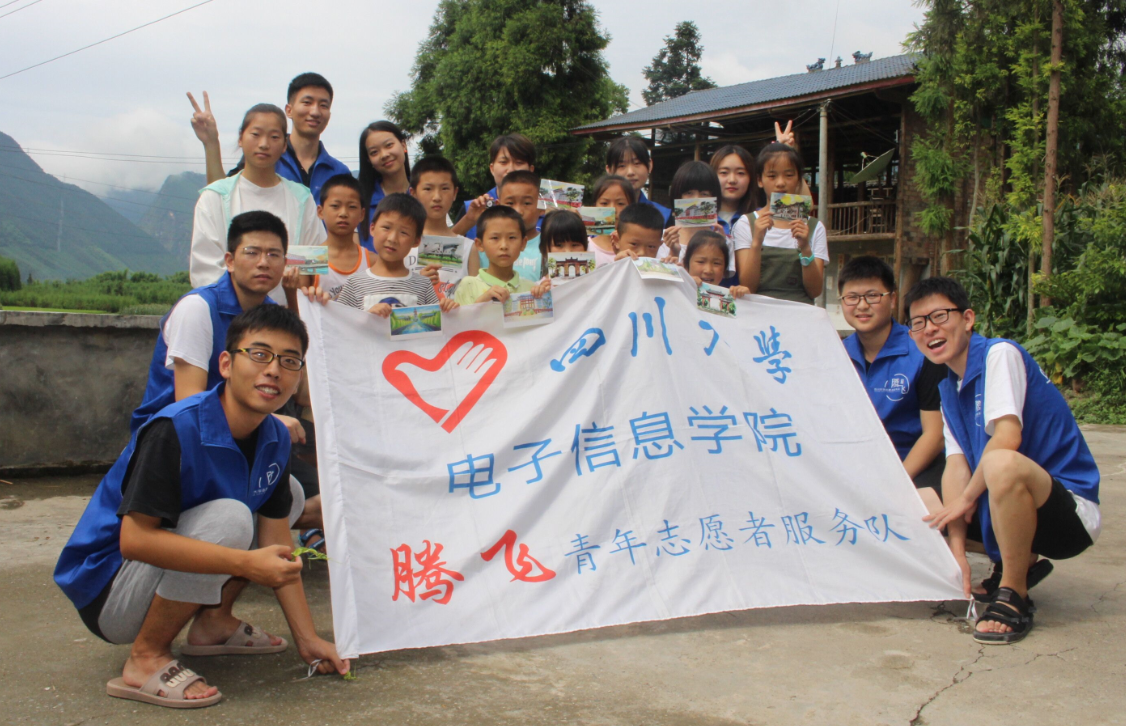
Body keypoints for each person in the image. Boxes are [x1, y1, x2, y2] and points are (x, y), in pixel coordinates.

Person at [54, 305, 349, 709]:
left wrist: (308, 639)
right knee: (231, 518)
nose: (273, 371)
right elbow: (134, 541)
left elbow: (279, 548)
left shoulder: (274, 438)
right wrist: (245, 563)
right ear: (226, 364)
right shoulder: (175, 428)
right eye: (259, 354)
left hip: (155, 574)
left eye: (289, 361)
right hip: (110, 591)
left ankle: (213, 623)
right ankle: (145, 657)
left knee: (289, 495)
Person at [906, 276, 1100, 644]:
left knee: (1000, 463)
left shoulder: (999, 354)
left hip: (1068, 515)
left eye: (939, 316)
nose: (929, 329)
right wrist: (957, 554)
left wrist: (966, 500)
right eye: (918, 323)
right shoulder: (948, 388)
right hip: (1010, 507)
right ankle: (1014, 562)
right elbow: (956, 468)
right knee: (918, 501)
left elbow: (1008, 438)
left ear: (967, 319)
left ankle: (1014, 594)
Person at [838, 256, 947, 512]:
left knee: (921, 508)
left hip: (913, 464)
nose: (862, 305)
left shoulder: (922, 352)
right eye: (852, 297)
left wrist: (896, 483)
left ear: (893, 299)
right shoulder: (836, 355)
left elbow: (934, 435)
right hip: (856, 467)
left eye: (872, 296)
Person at [189, 104, 326, 304]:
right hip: (227, 316)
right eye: (256, 134)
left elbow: (312, 268)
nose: (264, 144)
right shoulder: (215, 197)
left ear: (285, 145)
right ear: (240, 138)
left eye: (274, 137)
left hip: (286, 317)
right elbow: (206, 270)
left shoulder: (302, 199)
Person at [188, 73, 351, 204]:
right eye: (307, 102)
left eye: (323, 105)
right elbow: (223, 196)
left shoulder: (339, 172)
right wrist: (211, 143)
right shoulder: (266, 157)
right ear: (289, 110)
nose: (315, 112)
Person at [732, 143, 827, 304]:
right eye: (772, 176)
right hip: (760, 312)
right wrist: (757, 242)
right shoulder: (746, 223)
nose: (781, 182)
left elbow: (815, 291)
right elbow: (748, 287)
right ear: (760, 180)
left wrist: (805, 247)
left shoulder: (814, 226)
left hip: (800, 313)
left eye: (789, 175)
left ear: (799, 180)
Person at [335, 193, 457, 316]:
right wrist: (368, 317)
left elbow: (434, 322)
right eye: (386, 228)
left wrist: (447, 309)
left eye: (403, 233)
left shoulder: (423, 285)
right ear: (372, 228)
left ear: (416, 241)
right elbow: (340, 322)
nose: (392, 238)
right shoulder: (354, 283)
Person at [410, 155, 479, 298]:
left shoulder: (468, 248)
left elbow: (475, 300)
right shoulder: (403, 243)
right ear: (413, 193)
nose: (437, 197)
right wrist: (418, 285)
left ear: (455, 193)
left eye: (445, 188)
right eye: (428, 188)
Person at [453, 205, 551, 305]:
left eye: (512, 237)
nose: (504, 246)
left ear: (523, 243)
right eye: (495, 238)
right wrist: (482, 303)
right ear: (480, 244)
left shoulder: (531, 288)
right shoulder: (468, 285)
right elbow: (462, 315)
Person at [453, 133, 538, 240]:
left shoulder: (549, 207)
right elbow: (443, 248)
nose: (511, 169)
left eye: (519, 162)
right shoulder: (471, 209)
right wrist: (468, 220)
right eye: (503, 162)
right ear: (492, 169)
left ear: (531, 170)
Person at [658, 161, 730, 284]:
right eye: (689, 193)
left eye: (704, 194)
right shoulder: (662, 238)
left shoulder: (724, 240)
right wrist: (673, 251)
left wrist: (722, 246)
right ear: (677, 196)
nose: (696, 199)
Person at [306, 174, 374, 301]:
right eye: (335, 206)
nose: (343, 213)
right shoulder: (308, 259)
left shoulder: (372, 261)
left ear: (362, 214)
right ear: (320, 211)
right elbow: (296, 306)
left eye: (352, 207)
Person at [357, 121, 411, 251]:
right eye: (374, 152)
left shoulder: (426, 194)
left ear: (403, 145)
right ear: (369, 160)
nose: (384, 155)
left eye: (389, 145)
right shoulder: (359, 202)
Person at [605, 136, 670, 225]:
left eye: (637, 163)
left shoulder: (663, 216)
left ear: (649, 165)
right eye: (622, 166)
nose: (630, 172)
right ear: (609, 170)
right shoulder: (599, 215)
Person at [495, 169, 545, 281]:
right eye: (510, 203)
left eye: (527, 203)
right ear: (498, 206)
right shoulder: (486, 245)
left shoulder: (550, 245)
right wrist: (469, 220)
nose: (518, 211)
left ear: (542, 207)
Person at [684, 230, 750, 298]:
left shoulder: (732, 296)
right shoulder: (679, 290)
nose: (708, 270)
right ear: (686, 264)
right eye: (701, 262)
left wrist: (746, 298)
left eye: (716, 263)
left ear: (724, 268)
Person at [587, 174, 636, 267]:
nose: (612, 209)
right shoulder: (585, 247)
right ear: (594, 206)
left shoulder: (640, 250)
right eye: (604, 203)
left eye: (620, 203)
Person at [710, 144, 755, 237]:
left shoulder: (761, 218)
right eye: (724, 172)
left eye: (740, 173)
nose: (732, 180)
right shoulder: (700, 220)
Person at [539, 209, 589, 284]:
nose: (568, 252)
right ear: (544, 249)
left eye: (574, 245)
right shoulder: (541, 288)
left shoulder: (595, 282)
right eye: (559, 245)